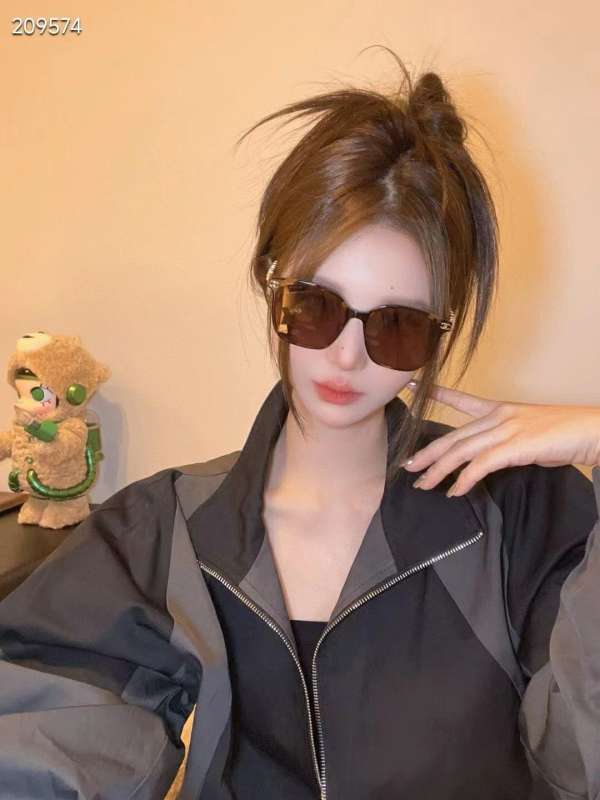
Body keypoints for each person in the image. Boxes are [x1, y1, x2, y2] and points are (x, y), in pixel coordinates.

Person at [1, 45, 600, 800]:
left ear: (439, 333)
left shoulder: (524, 515)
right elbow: (44, 735)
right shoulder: (163, 531)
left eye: (396, 324)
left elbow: (581, 760)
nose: (347, 355)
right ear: (271, 284)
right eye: (315, 305)